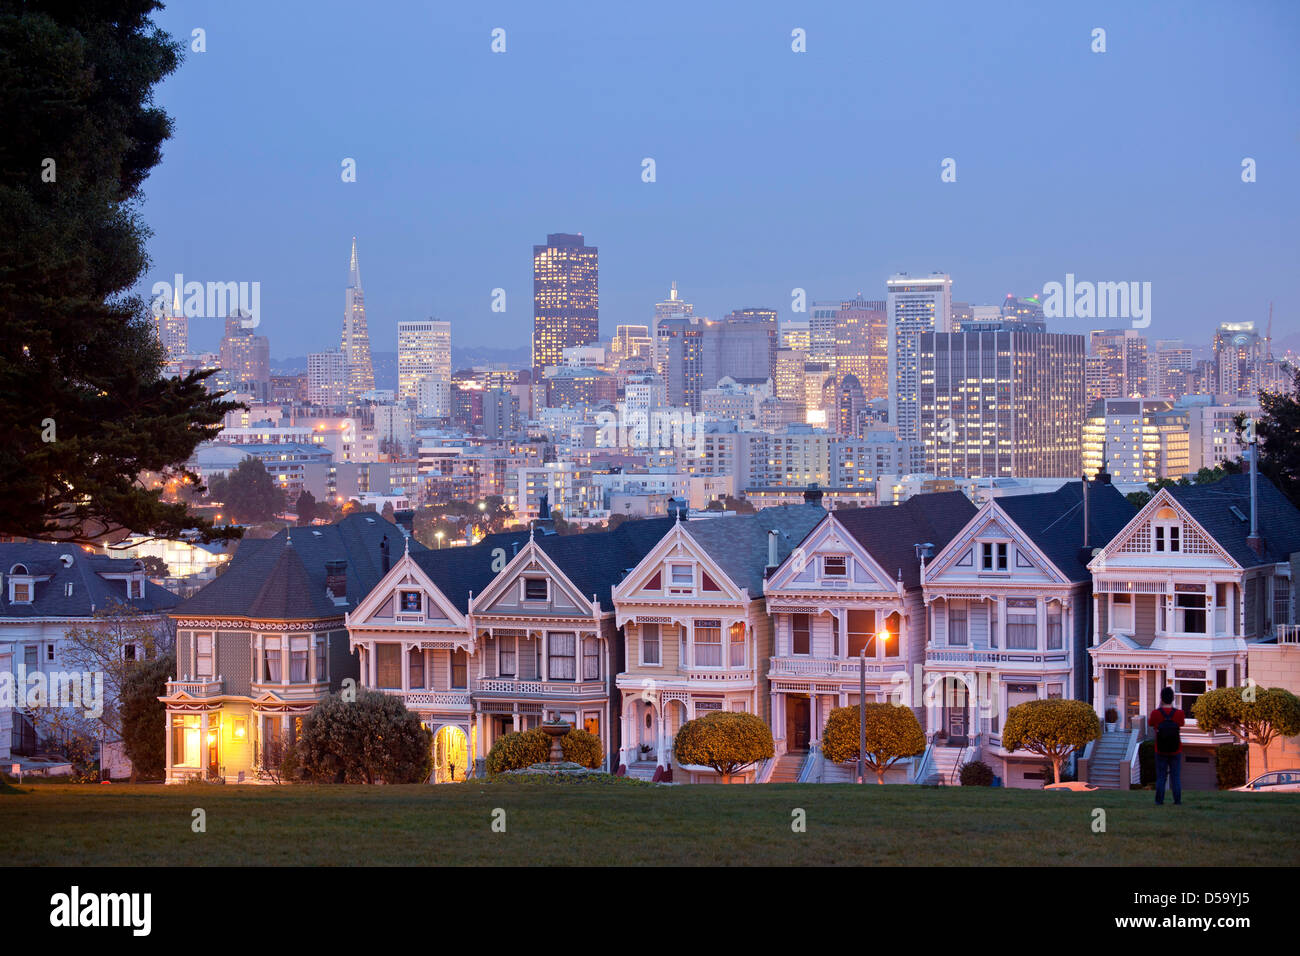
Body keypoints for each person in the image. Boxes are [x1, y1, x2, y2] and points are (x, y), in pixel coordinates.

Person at [1149, 687, 1185, 805]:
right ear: (1173, 698)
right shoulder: (1179, 713)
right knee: (1175, 777)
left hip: (1160, 749)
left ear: (1162, 699)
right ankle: (1177, 801)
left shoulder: (1155, 713)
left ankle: (1159, 801)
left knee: (1161, 777)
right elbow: (1181, 723)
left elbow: (1150, 723)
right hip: (1176, 750)